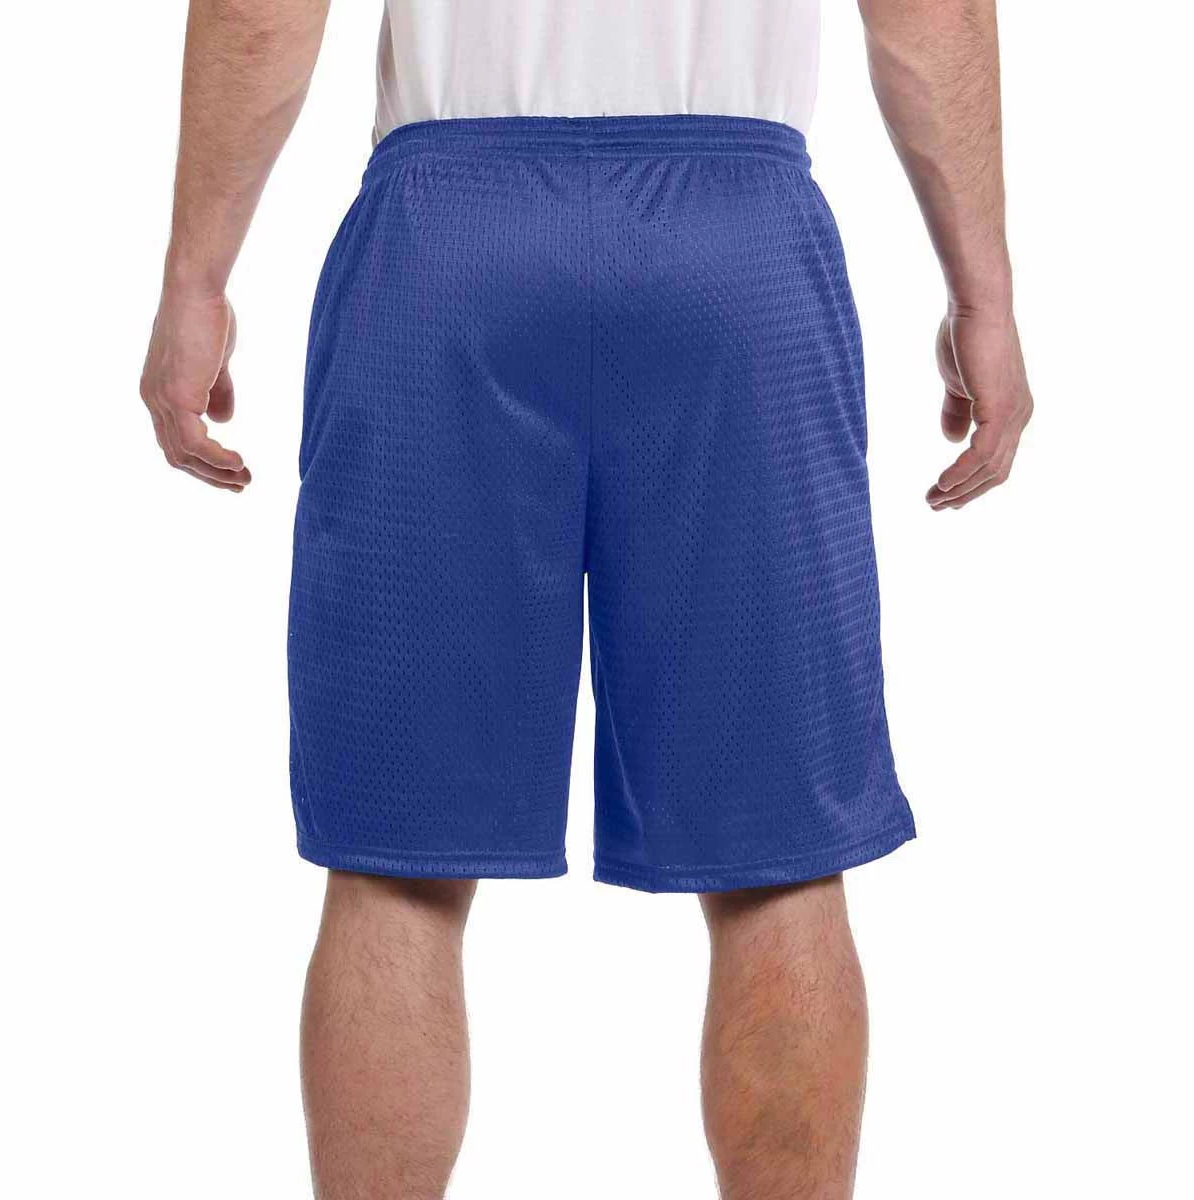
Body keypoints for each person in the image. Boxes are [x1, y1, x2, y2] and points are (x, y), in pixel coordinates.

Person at [138, 1, 1033, 1195]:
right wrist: (984, 295)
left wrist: (196, 280)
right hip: (737, 251)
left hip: (448, 243)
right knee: (779, 861)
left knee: (396, 862)